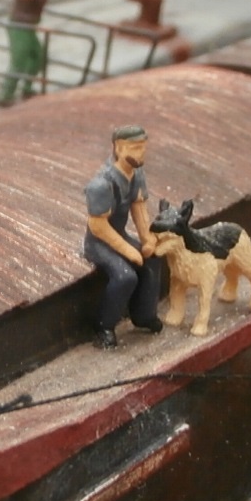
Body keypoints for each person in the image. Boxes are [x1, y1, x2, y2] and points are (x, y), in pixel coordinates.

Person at [82, 125, 164, 350]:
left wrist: (146, 239)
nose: (141, 153)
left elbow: (138, 206)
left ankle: (144, 315)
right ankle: (104, 327)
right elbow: (98, 226)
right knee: (125, 276)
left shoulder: (136, 173)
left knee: (152, 259)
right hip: (99, 243)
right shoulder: (102, 184)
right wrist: (128, 250)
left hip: (119, 235)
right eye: (135, 148)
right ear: (118, 148)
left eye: (143, 147)